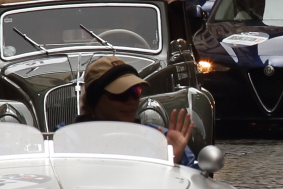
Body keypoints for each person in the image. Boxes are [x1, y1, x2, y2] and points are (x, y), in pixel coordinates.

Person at [65, 55, 199, 168]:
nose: (131, 101)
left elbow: (191, 183)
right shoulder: (67, 140)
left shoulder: (160, 140)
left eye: (135, 92)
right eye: (121, 94)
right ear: (94, 99)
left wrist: (170, 160)